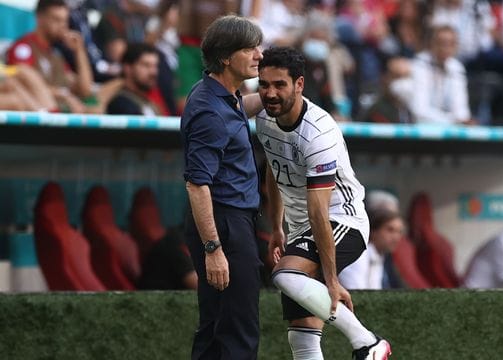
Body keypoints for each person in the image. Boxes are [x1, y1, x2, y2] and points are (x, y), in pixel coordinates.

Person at [256, 46, 392, 360]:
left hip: (343, 222)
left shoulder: (318, 132)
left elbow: (319, 210)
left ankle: (368, 342)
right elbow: (275, 172)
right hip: (303, 230)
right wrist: (278, 227)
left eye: (280, 85)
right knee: (301, 335)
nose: (271, 93)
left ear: (299, 84)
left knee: (286, 275)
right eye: (264, 85)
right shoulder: (264, 120)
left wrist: (331, 281)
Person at [180, 15, 265, 360]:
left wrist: (272, 95)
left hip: (227, 220)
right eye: (250, 48)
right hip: (224, 224)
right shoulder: (210, 111)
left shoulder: (218, 94)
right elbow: (197, 184)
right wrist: (214, 248)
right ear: (227, 57)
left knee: (217, 327)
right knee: (238, 329)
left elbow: (237, 113)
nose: (259, 54)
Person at [390, 25, 474, 125]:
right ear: (433, 44)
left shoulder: (457, 68)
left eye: (451, 44)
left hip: (447, 126)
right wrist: (453, 121)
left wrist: (462, 121)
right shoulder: (421, 64)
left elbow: (461, 110)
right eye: (442, 43)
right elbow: (420, 110)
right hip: (420, 126)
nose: (446, 48)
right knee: (403, 86)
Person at [339, 208, 405, 289]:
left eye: (399, 232)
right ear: (373, 231)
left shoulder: (381, 256)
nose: (396, 237)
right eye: (390, 230)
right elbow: (357, 293)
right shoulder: (358, 255)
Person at [106, 43, 162, 115]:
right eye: (146, 65)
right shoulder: (121, 103)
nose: (153, 72)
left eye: (155, 66)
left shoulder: (147, 102)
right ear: (128, 68)